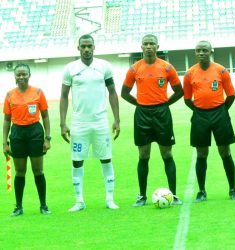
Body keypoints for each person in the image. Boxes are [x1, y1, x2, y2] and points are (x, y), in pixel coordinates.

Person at [60, 34, 121, 212]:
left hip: (100, 121)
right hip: (79, 123)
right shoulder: (70, 69)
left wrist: (116, 120)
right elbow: (63, 96)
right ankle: (79, 200)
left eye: (89, 46)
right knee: (77, 161)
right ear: (78, 48)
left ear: (94, 47)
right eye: (83, 46)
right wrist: (63, 123)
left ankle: (110, 198)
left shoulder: (104, 66)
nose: (86, 49)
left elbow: (112, 92)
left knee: (106, 158)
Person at [121, 34, 183, 207]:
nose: (149, 46)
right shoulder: (134, 69)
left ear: (157, 47)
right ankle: (142, 196)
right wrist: (140, 104)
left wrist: (165, 104)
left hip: (162, 114)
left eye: (152, 44)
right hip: (142, 115)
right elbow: (124, 93)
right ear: (141, 47)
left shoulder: (167, 67)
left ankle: (174, 194)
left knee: (167, 154)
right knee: (143, 155)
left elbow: (179, 91)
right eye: (146, 44)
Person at [183, 41, 235, 202]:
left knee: (225, 152)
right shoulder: (189, 74)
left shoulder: (221, 70)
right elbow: (187, 99)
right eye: (198, 50)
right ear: (195, 53)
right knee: (201, 154)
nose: (201, 53)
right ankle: (201, 191)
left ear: (211, 52)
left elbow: (230, 95)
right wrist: (199, 111)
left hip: (220, 113)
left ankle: (232, 189)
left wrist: (220, 111)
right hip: (200, 115)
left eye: (204, 50)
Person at [2, 63, 51, 216]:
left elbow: (45, 116)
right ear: (14, 76)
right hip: (17, 134)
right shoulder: (10, 95)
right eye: (19, 74)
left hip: (35, 132)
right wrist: (5, 142)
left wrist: (47, 138)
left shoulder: (38, 92)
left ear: (29, 75)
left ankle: (43, 205)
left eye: (24, 74)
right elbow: (6, 120)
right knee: (19, 171)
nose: (21, 77)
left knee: (38, 170)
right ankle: (18, 207)